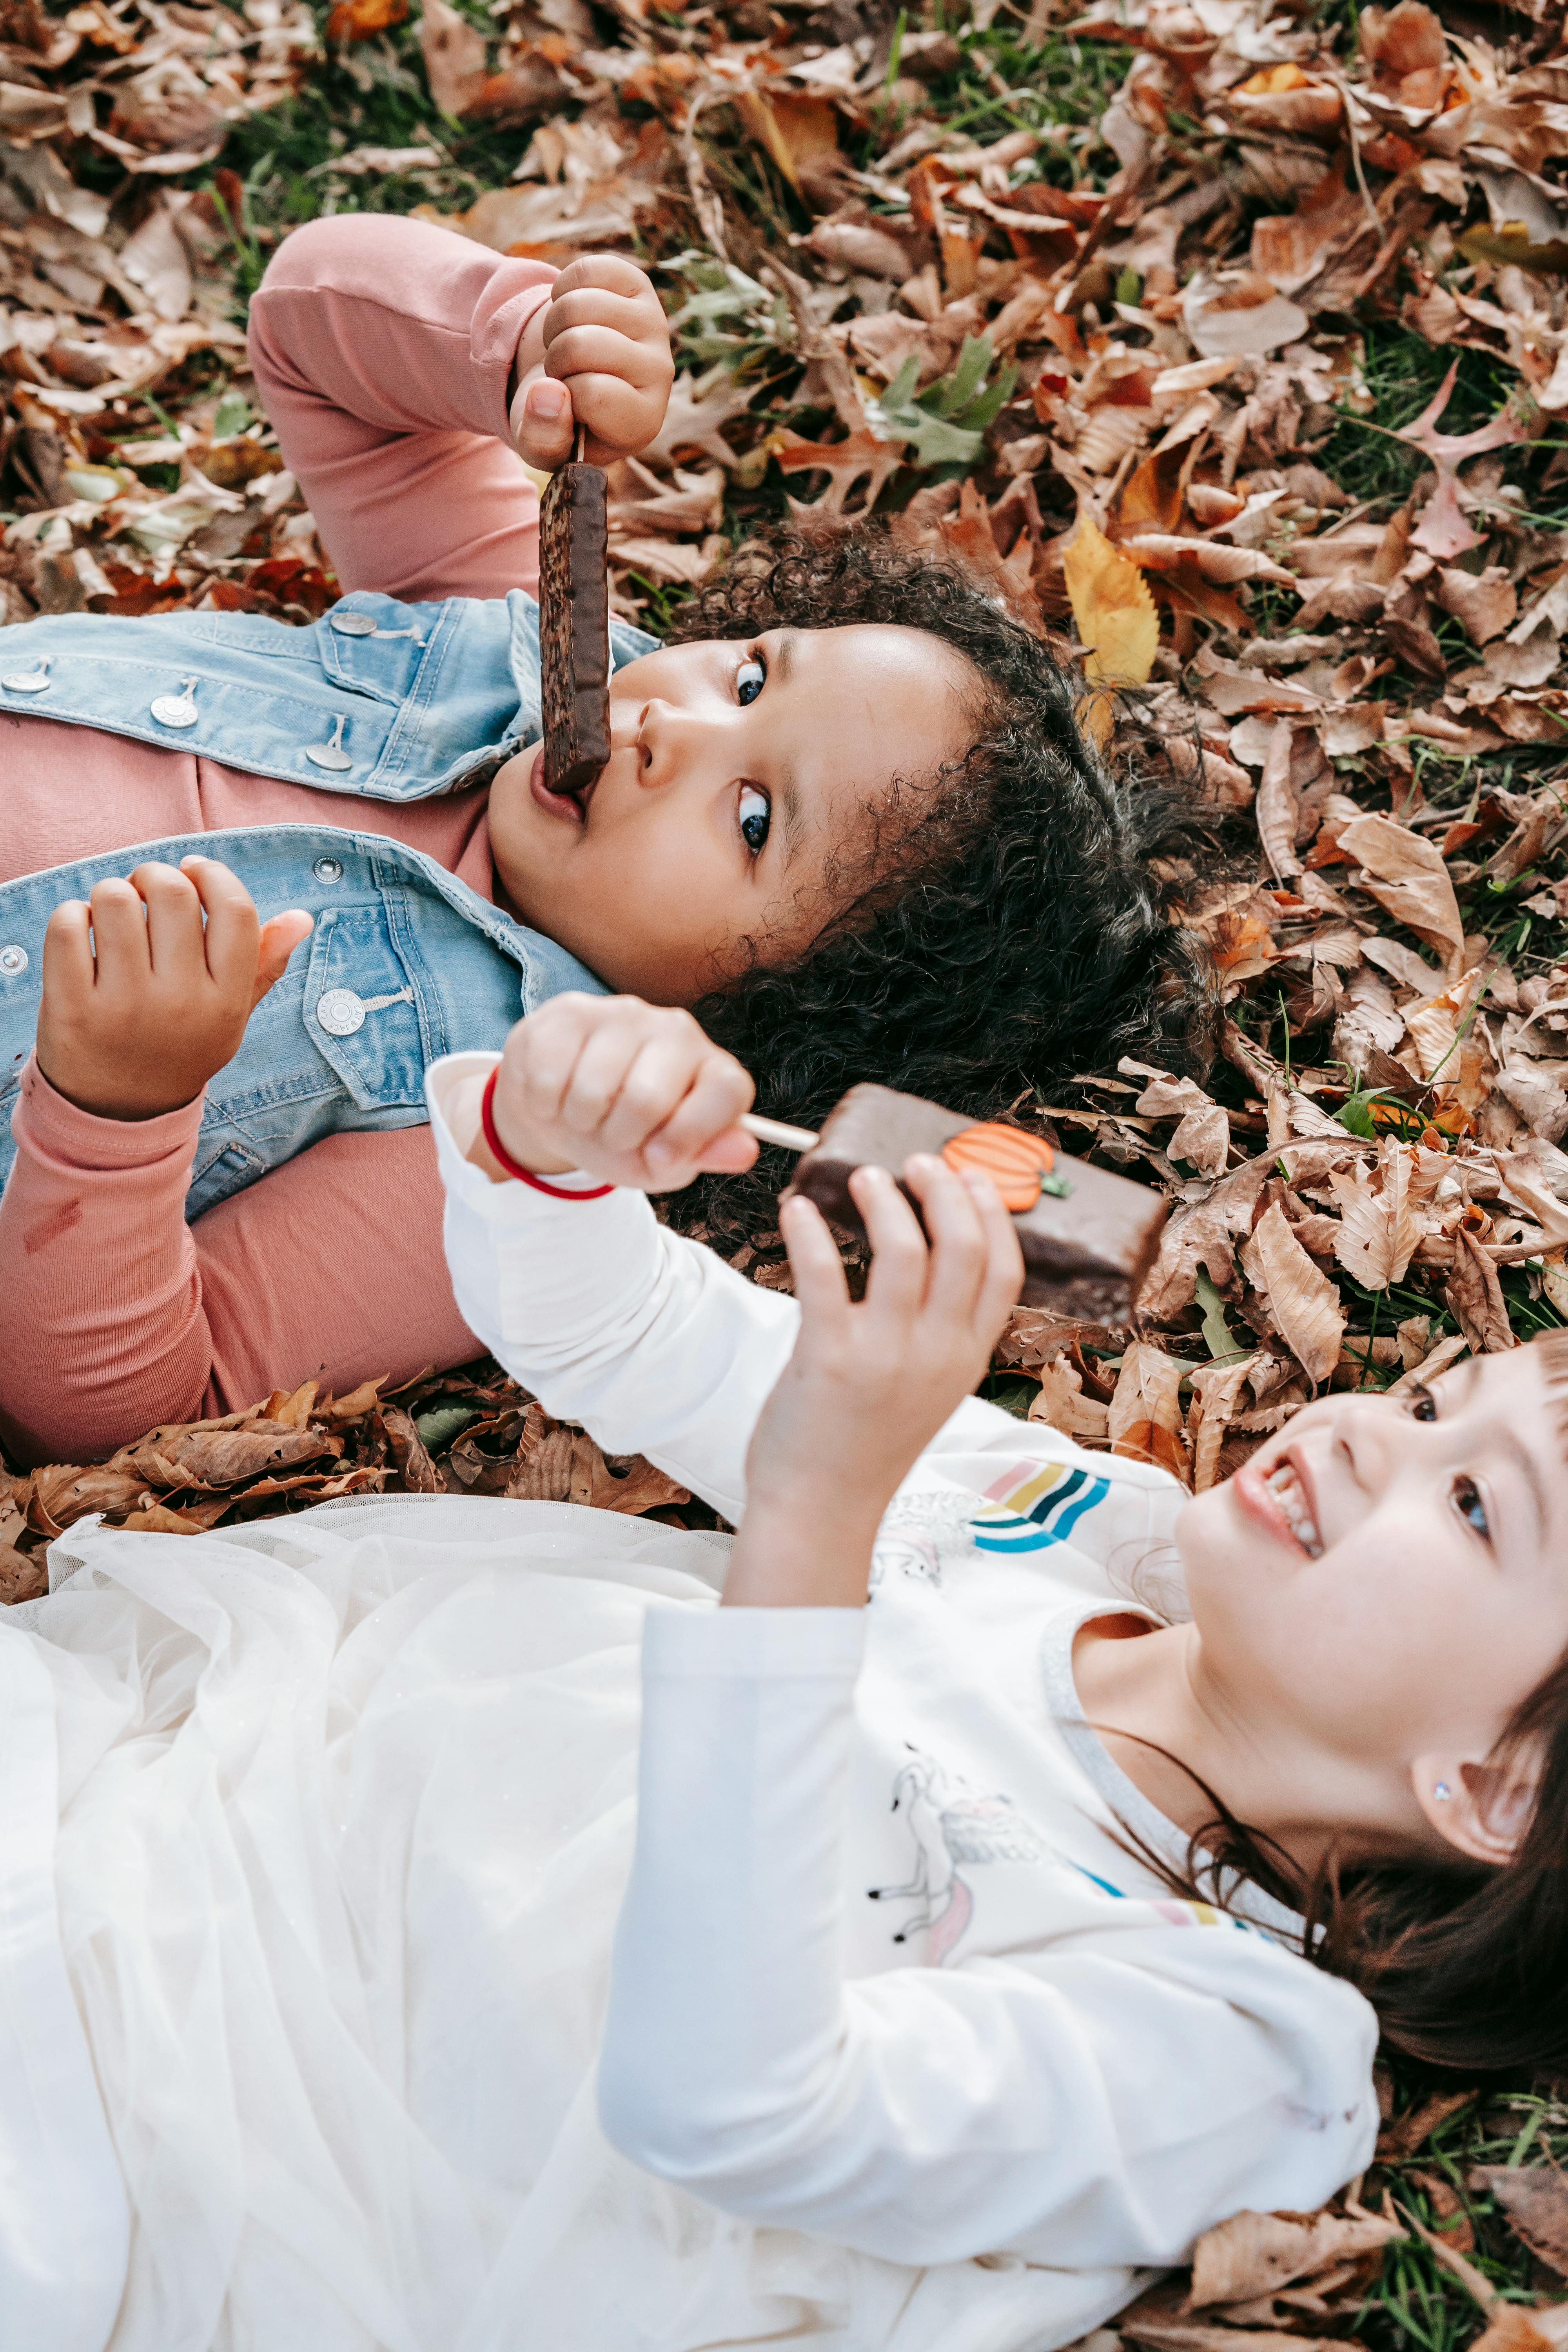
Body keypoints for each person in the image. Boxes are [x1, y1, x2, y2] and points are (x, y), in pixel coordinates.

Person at [8, 990, 1566, 2352]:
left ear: (1497, 1786)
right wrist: (556, 1142)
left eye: (1473, 1503)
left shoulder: (1229, 2051)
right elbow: (634, 1334)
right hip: (222, 1785)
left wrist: (823, 1502)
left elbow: (733, 2105)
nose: (1373, 1432)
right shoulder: (1086, 1534)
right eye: (1439, 1409)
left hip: (283, 2156)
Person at [0, 212, 1210, 1468]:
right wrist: (512, 340)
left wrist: (113, 1114)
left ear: (769, 1009)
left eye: (754, 818)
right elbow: (306, 326)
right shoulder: (515, 642)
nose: (669, 727)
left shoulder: (497, 1135)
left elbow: (136, 1405)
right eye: (749, 679)